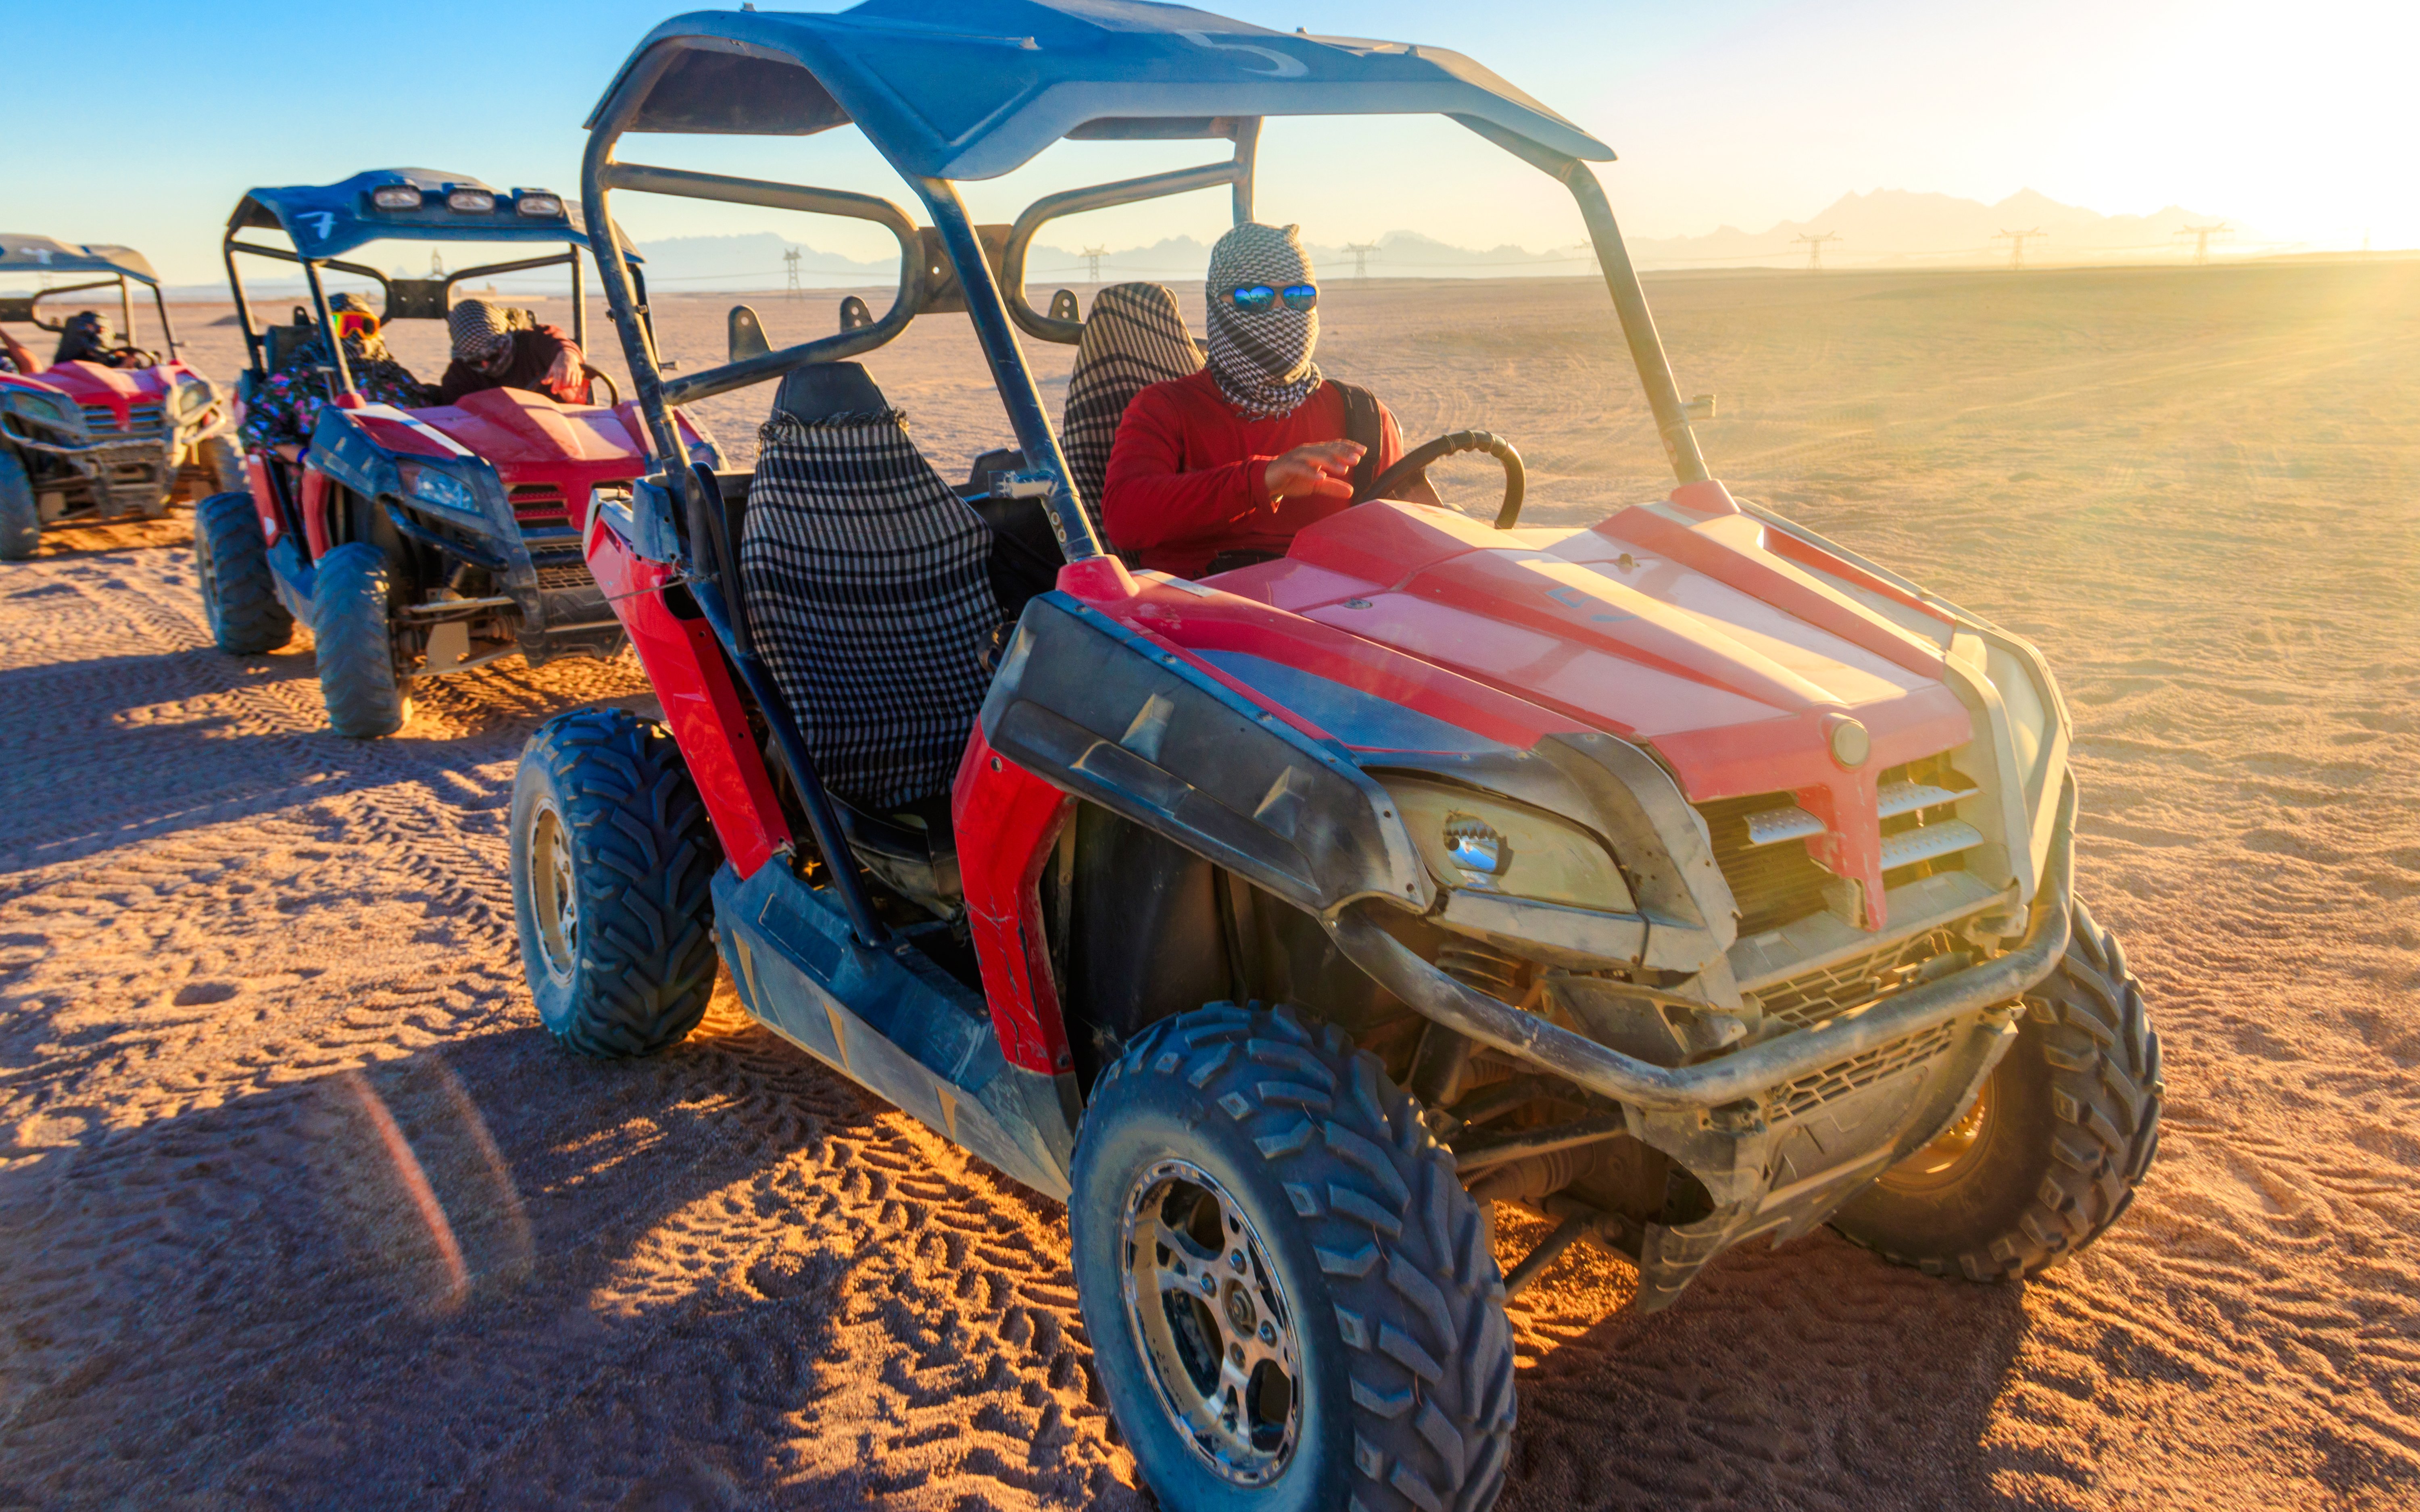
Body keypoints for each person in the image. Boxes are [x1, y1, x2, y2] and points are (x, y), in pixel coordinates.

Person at [1101, 221, 1436, 577]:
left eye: (1299, 297)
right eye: (1255, 298)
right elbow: (1125, 518)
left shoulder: (1363, 415)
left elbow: (1411, 540)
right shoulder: (1167, 407)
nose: (1281, 312)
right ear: (1217, 304)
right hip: (1197, 613)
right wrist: (1260, 480)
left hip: (1335, 615)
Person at [238, 292, 426, 460]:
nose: (356, 335)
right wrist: (306, 457)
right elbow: (255, 430)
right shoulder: (299, 379)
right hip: (331, 484)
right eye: (344, 326)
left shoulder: (393, 374)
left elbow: (429, 417)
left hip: (404, 473)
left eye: (365, 326)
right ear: (324, 330)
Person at [430, 298, 590, 405]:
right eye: (475, 361)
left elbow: (560, 345)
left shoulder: (533, 341)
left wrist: (566, 357)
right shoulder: (460, 374)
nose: (485, 364)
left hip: (567, 428)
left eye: (492, 355)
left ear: (504, 335)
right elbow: (455, 418)